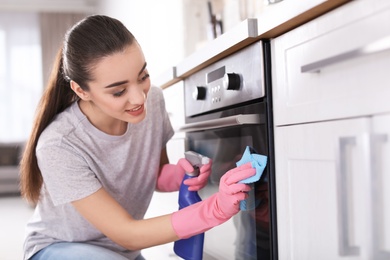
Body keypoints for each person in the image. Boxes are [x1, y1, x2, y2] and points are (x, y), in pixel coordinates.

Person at [19, 15, 256, 260]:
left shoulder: (153, 100)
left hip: (122, 253)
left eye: (142, 76)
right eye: (119, 91)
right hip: (59, 248)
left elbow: (155, 174)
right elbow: (127, 233)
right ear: (81, 90)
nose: (139, 98)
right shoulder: (59, 144)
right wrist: (214, 209)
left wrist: (181, 175)